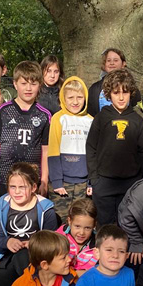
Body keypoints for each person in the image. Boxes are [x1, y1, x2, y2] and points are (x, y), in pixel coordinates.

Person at [0, 163, 60, 286]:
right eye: (13, 187)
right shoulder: (1, 206)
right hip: (6, 255)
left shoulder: (45, 208)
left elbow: (52, 240)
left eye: (22, 187)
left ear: (33, 187)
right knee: (0, 276)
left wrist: (34, 244)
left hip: (36, 257)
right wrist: (7, 242)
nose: (17, 191)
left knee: (22, 258)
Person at [85, 69, 143, 226]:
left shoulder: (137, 120)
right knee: (104, 226)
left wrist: (137, 181)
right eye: (116, 92)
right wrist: (95, 179)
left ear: (131, 93)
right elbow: (91, 147)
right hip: (103, 183)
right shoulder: (101, 117)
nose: (121, 97)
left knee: (126, 225)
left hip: (129, 184)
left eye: (125, 92)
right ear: (108, 94)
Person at [0, 60, 52, 200]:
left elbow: (46, 151)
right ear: (15, 84)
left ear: (39, 85)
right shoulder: (4, 111)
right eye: (23, 83)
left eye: (33, 84)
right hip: (4, 178)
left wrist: (44, 180)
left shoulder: (44, 115)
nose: (28, 88)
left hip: (31, 181)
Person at [48, 76, 94, 221]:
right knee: (61, 220)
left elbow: (93, 154)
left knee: (80, 219)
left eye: (80, 97)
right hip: (62, 184)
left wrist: (90, 182)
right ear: (63, 98)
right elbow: (53, 151)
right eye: (71, 97)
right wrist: (56, 181)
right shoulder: (58, 118)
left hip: (83, 183)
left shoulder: (90, 120)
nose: (75, 102)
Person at [56, 198, 98, 273]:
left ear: (94, 225)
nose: (81, 232)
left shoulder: (98, 246)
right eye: (77, 226)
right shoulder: (58, 236)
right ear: (69, 221)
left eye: (87, 228)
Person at [88, 48, 127, 117]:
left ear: (123, 64)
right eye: (108, 60)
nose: (112, 63)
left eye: (116, 60)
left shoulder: (130, 86)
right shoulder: (95, 89)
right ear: (104, 64)